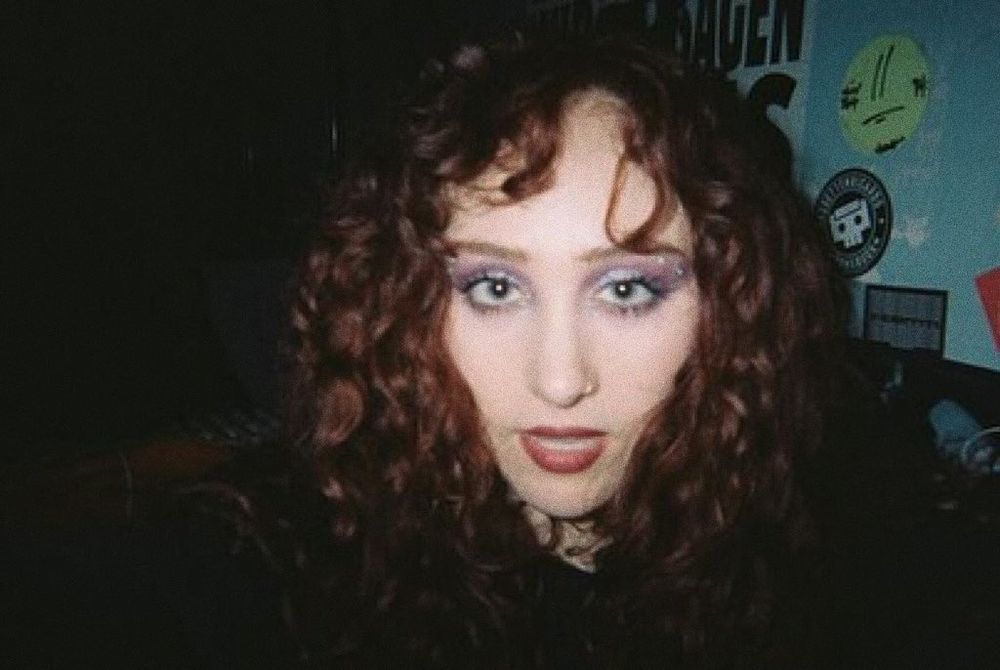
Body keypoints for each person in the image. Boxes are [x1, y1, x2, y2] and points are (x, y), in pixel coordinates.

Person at [230, 33, 843, 668]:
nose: (560, 382)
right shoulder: (283, 572)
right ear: (402, 301)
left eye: (626, 289)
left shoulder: (835, 570)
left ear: (730, 304)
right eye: (495, 288)